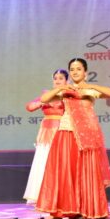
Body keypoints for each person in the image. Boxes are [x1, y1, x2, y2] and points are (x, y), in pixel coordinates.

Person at [36, 58, 110, 219]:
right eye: (72, 69)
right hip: (66, 133)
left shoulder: (91, 90)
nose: (75, 72)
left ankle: (88, 208)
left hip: (87, 135)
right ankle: (70, 209)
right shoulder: (65, 90)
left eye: (78, 69)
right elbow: (44, 100)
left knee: (86, 172)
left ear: (85, 72)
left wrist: (90, 86)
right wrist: (63, 87)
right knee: (68, 172)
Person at [22, 69, 68, 204]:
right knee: (43, 162)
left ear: (66, 80)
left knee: (61, 163)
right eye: (55, 78)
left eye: (61, 78)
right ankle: (43, 196)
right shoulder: (46, 95)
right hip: (46, 132)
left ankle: (61, 195)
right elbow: (29, 107)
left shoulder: (68, 95)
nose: (57, 80)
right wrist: (43, 102)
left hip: (62, 130)